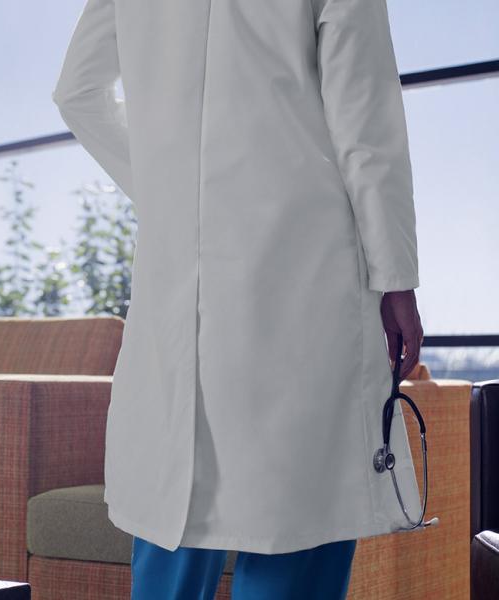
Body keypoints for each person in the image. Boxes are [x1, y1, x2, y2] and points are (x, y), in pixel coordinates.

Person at [53, 0, 425, 597]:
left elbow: (77, 93)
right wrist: (396, 277)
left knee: (175, 506)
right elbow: (365, 121)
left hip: (177, 274)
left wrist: (173, 192)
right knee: (300, 514)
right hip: (305, 262)